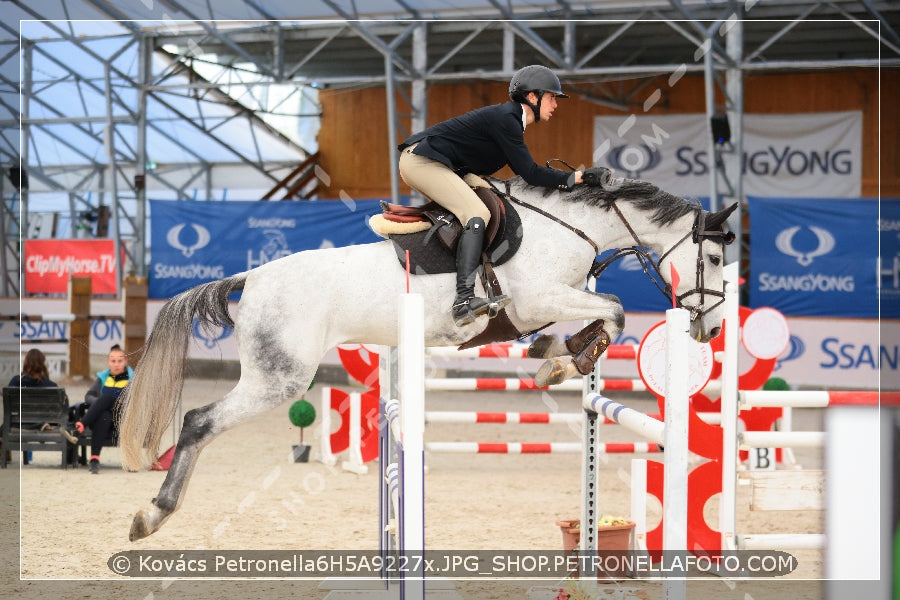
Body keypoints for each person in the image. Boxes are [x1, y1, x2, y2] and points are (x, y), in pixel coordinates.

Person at [398, 65, 585, 326]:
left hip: (443, 165)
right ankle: (463, 300)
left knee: (496, 196)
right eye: (552, 97)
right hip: (422, 162)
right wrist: (577, 178)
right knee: (477, 213)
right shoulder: (507, 119)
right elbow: (530, 173)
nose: (556, 104)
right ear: (532, 97)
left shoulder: (511, 120)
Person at [63, 345, 132, 474]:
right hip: (104, 419)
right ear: (108, 362)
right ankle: (94, 459)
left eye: (120, 361)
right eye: (113, 361)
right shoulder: (103, 378)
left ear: (126, 362)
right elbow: (88, 396)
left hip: (121, 420)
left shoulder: (132, 379)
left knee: (106, 398)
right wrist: (99, 404)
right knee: (104, 414)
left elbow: (136, 401)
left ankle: (81, 425)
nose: (116, 364)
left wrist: (108, 401)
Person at [6, 348, 58, 464]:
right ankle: (39, 424)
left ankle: (5, 455)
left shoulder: (15, 382)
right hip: (44, 419)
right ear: (43, 364)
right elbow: (58, 410)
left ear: (26, 363)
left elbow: (7, 408)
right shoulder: (51, 385)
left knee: (10, 423)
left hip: (20, 422)